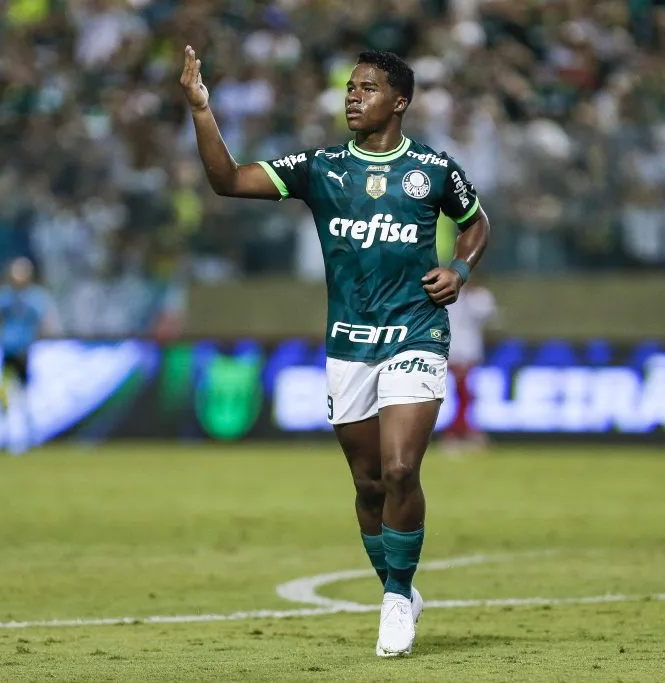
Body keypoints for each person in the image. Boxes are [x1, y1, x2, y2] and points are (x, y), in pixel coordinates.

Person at [180, 47, 491, 656]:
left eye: (368, 88)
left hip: (416, 331)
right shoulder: (320, 167)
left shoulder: (432, 169)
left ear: (398, 102)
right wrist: (200, 110)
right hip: (349, 342)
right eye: (351, 87)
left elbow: (478, 222)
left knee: (402, 468)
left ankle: (397, 599)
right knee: (369, 482)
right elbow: (228, 180)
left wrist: (460, 268)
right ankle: (396, 584)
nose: (353, 96)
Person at [0, 257, 53, 453]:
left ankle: (29, 436)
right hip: (7, 349)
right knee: (3, 394)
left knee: (25, 395)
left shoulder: (35, 298)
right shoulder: (3, 297)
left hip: (24, 351)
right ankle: (3, 436)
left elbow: (41, 323)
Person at [444, 278, 498, 451]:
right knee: (461, 394)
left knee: (465, 395)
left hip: (469, 350)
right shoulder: (448, 295)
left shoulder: (479, 297)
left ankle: (460, 432)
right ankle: (457, 433)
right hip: (453, 349)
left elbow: (487, 314)